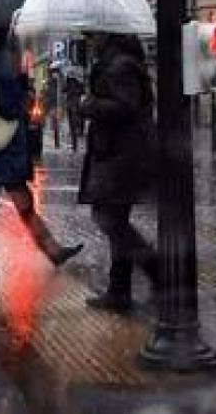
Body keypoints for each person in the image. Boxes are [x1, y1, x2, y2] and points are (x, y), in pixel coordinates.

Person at [0, 29, 83, 285]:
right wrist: (23, 93)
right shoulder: (3, 67)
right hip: (3, 151)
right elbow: (8, 108)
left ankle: (51, 251)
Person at [80, 33, 161, 313]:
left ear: (107, 36)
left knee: (110, 219)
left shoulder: (120, 65)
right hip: (119, 151)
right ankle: (119, 290)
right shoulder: (117, 62)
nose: (90, 40)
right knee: (115, 219)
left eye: (92, 36)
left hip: (122, 154)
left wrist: (89, 104)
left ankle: (155, 270)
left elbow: (125, 106)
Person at [64, 73, 86, 154]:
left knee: (73, 122)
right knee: (75, 121)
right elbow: (83, 92)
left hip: (72, 105)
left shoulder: (70, 83)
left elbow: (64, 90)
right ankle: (76, 135)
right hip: (75, 105)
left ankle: (75, 142)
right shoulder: (78, 84)